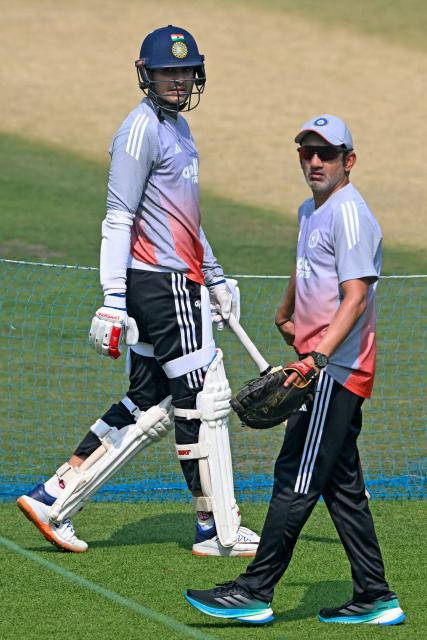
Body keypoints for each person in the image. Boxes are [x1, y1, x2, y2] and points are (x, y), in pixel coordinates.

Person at [16, 25, 259, 558]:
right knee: (203, 398)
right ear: (145, 74)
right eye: (167, 71)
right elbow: (118, 216)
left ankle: (54, 495)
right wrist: (112, 298)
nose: (178, 80)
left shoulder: (180, 129)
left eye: (185, 70)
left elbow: (186, 218)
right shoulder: (139, 130)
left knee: (150, 400)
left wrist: (214, 276)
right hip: (161, 283)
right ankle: (217, 528)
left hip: (180, 279)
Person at [184, 114, 406, 625]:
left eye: (325, 153)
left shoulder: (351, 215)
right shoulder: (312, 210)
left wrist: (316, 357)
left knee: (295, 477)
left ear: (349, 161)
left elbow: (355, 297)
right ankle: (375, 595)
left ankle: (255, 591)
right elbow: (305, 265)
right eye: (306, 152)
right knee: (340, 485)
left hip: (333, 371)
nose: (314, 162)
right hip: (319, 364)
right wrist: (285, 313)